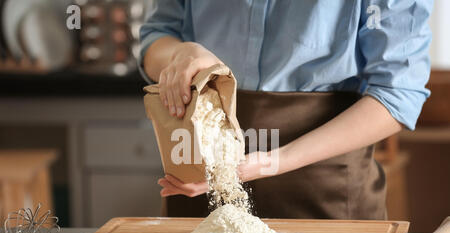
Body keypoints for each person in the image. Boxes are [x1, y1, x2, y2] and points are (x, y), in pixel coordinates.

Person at [139, 0, 433, 220]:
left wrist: (273, 161)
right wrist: (180, 52)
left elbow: (397, 95)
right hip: (198, 174)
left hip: (326, 194)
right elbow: (157, 36)